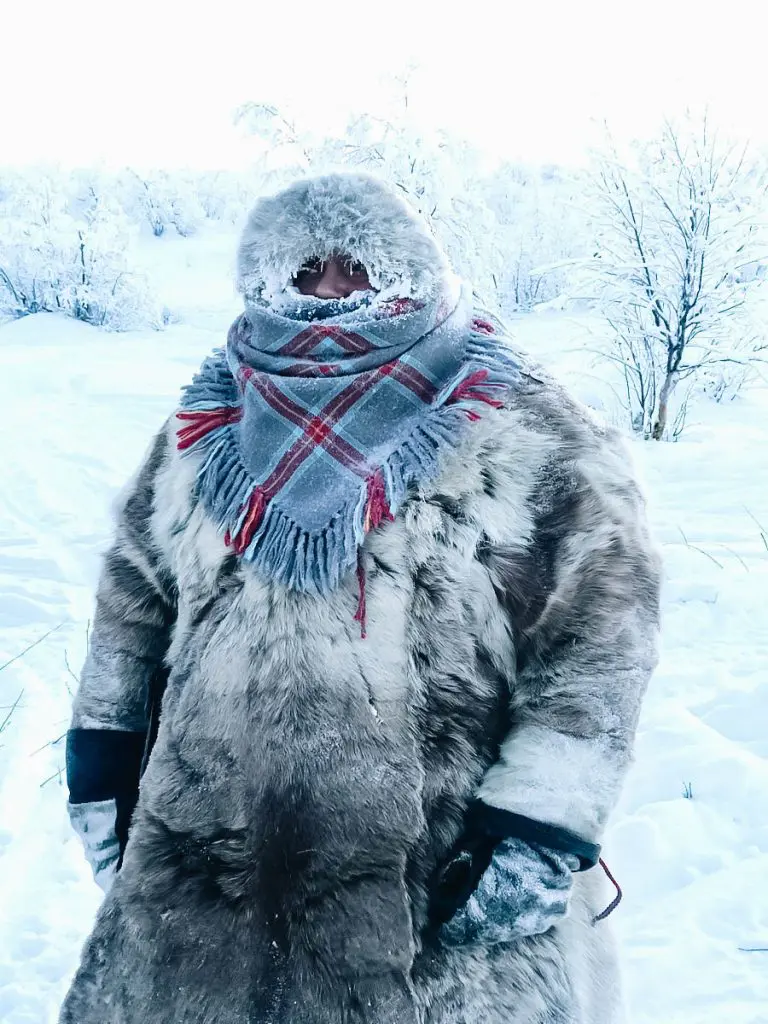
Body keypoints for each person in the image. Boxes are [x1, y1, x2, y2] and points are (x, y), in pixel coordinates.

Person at [60, 172, 661, 1024]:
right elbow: (132, 597)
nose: (332, 294)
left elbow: (599, 636)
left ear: (410, 272)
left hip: (441, 879)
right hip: (209, 874)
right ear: (268, 285)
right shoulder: (208, 428)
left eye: (357, 270)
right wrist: (104, 759)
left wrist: (541, 827)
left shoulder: (521, 422)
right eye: (306, 275)